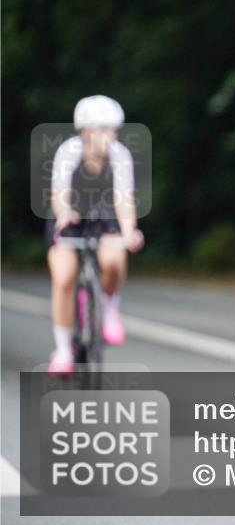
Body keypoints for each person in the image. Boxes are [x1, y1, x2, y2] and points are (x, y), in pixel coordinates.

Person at [46, 95, 144, 375]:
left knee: (114, 260)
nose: (111, 136)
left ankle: (108, 306)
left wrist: (129, 231)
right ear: (87, 131)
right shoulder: (68, 151)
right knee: (64, 278)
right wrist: (64, 213)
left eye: (114, 130)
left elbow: (124, 199)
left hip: (103, 215)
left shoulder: (119, 155)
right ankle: (64, 350)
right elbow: (60, 194)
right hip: (70, 217)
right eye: (105, 129)